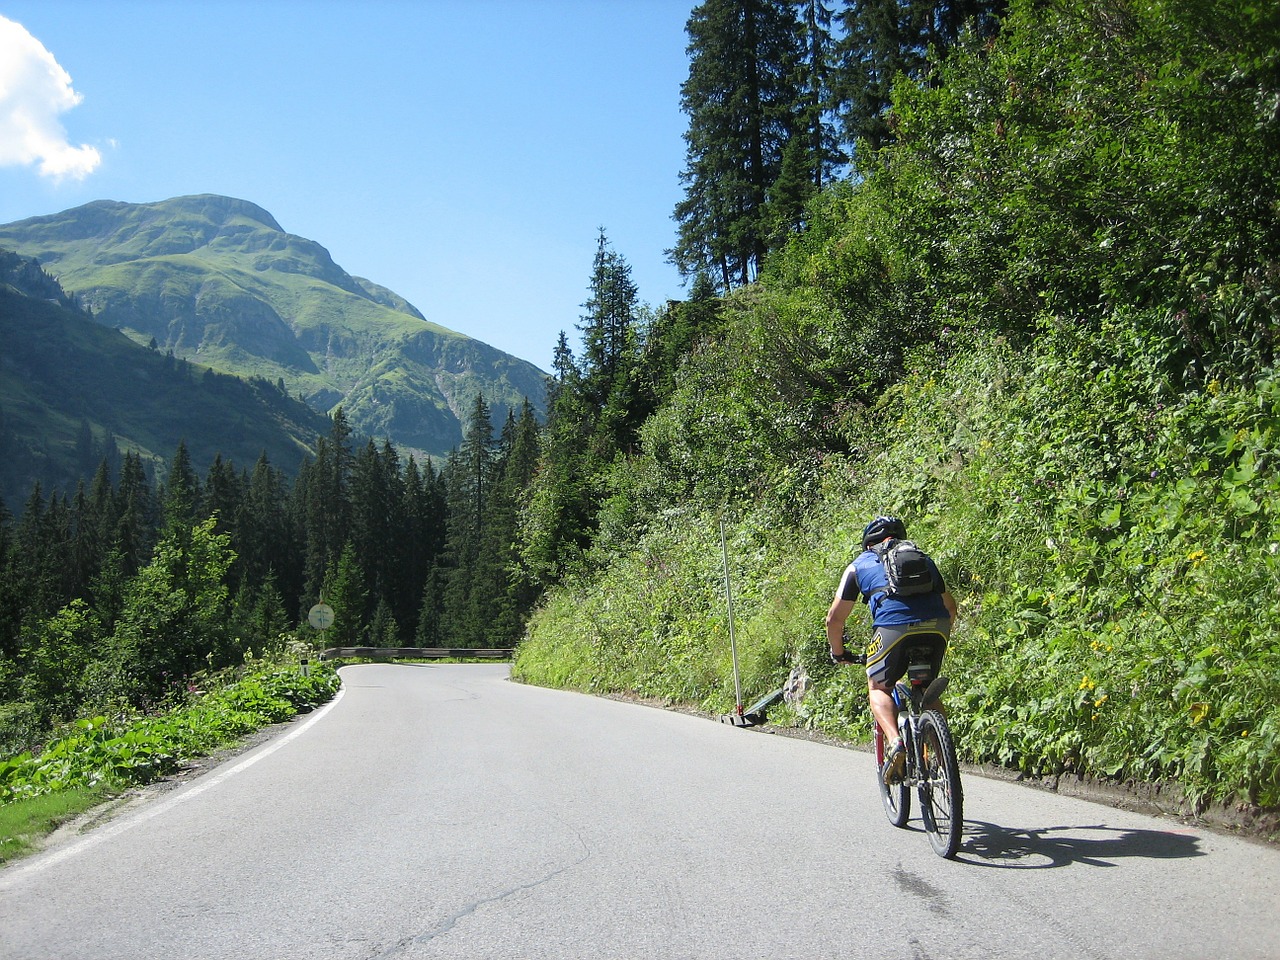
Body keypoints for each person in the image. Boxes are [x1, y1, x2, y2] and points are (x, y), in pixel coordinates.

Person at [826, 515, 958, 784]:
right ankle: (946, 763)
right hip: (936, 626)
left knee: (878, 686)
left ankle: (896, 742)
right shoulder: (922, 558)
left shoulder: (858, 566)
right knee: (927, 687)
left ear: (867, 543)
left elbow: (834, 619)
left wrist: (838, 653)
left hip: (892, 628)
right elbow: (951, 607)